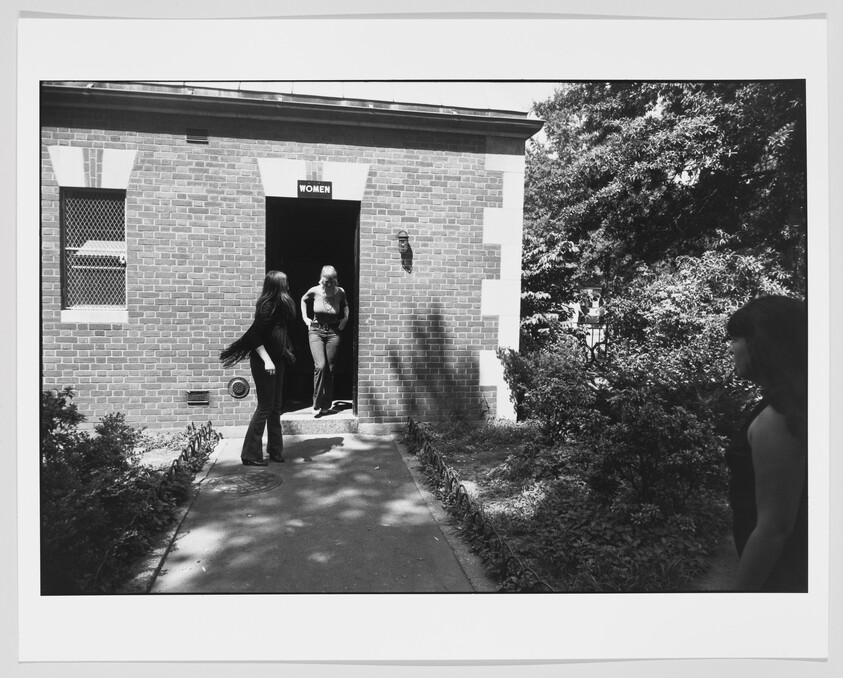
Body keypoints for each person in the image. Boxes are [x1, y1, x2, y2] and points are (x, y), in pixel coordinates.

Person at [724, 295, 808, 591]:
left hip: (777, 579)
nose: (731, 349)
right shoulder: (791, 404)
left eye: (735, 339)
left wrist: (741, 599)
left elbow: (774, 530)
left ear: (760, 344)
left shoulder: (779, 418)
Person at [220, 270, 296, 466]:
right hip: (265, 364)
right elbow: (254, 335)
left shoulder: (279, 306)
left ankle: (275, 450)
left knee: (275, 407)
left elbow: (275, 334)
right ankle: (250, 454)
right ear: (277, 285)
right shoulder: (267, 306)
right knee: (265, 407)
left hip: (277, 361)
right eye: (285, 282)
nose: (288, 285)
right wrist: (267, 360)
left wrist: (284, 352)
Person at [300, 265, 349, 417]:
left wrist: (345, 318)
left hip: (334, 332)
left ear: (335, 280)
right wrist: (305, 318)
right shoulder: (314, 290)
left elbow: (345, 305)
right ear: (322, 280)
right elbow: (303, 299)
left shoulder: (340, 292)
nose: (328, 284)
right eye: (326, 281)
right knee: (320, 366)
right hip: (316, 331)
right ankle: (317, 402)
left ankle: (327, 404)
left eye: (331, 282)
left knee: (330, 369)